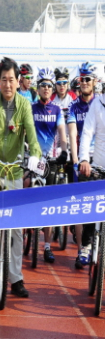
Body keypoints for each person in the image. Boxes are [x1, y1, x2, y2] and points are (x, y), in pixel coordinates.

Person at [0, 57, 42, 298]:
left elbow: (32, 134)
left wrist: (35, 155)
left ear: (18, 81)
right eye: (4, 80)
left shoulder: (24, 105)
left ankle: (16, 278)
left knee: (16, 228)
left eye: (12, 80)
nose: (8, 84)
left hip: (14, 170)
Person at [27, 68, 68, 263]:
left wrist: (64, 150)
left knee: (49, 204)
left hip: (50, 161)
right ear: (38, 88)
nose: (46, 88)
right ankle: (22, 230)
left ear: (52, 89)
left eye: (49, 86)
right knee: (24, 189)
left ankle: (47, 245)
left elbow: (62, 132)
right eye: (43, 85)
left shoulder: (57, 110)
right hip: (33, 159)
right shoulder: (30, 108)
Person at [67, 62, 97, 269]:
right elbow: (73, 134)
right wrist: (76, 161)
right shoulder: (74, 107)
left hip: (100, 157)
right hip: (82, 159)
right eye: (81, 79)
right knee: (82, 205)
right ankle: (82, 249)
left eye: (87, 79)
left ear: (95, 82)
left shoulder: (100, 103)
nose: (84, 82)